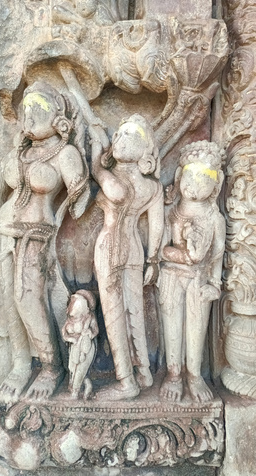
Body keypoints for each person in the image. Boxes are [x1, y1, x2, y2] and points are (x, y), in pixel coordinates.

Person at [0, 81, 90, 410]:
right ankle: (20, 365)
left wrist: (78, 193)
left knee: (29, 299)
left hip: (38, 236)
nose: (29, 116)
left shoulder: (64, 153)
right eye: (26, 109)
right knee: (9, 304)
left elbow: (79, 193)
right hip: (6, 229)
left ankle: (50, 365)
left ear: (58, 116)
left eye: (38, 109)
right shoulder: (19, 152)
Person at [91, 114, 164, 401]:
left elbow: (107, 182)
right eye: (118, 134)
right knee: (132, 309)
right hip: (133, 248)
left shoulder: (115, 179)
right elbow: (156, 228)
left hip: (111, 245)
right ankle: (143, 371)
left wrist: (97, 158)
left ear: (146, 150)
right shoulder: (152, 187)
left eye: (130, 135)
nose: (120, 139)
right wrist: (153, 259)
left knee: (116, 313)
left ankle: (126, 380)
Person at [158, 140, 225, 402]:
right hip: (171, 277)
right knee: (172, 326)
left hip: (200, 279)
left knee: (196, 329)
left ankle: (195, 375)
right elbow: (160, 249)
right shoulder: (171, 212)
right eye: (189, 175)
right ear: (178, 176)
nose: (194, 184)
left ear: (215, 184)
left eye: (203, 178)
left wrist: (215, 283)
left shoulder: (214, 218)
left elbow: (217, 254)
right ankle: (174, 374)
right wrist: (183, 256)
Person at [62, 289, 98, 400]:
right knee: (72, 370)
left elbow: (95, 331)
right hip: (74, 348)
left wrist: (90, 333)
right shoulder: (70, 320)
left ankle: (75, 393)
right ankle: (87, 386)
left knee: (80, 370)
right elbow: (64, 334)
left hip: (85, 348)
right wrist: (71, 339)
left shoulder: (89, 318)